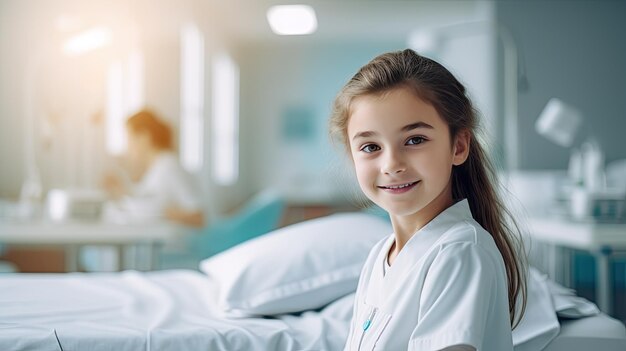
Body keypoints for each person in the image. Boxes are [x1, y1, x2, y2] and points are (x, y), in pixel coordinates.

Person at [329, 49, 527, 350]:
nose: (391, 165)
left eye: (415, 140)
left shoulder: (460, 252)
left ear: (458, 146)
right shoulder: (380, 257)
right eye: (370, 147)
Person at [103, 108, 205, 228]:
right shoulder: (155, 168)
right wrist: (122, 192)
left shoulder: (168, 166)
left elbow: (198, 217)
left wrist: (159, 213)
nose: (127, 147)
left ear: (144, 137)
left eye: (129, 139)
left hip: (181, 244)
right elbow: (146, 200)